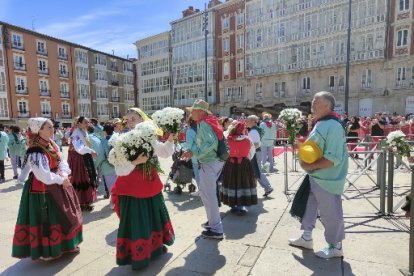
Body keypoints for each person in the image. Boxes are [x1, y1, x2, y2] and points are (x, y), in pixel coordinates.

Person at [111, 107, 175, 270]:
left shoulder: (150, 137)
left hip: (151, 186)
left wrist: (171, 139)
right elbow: (119, 170)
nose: (130, 121)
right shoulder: (122, 139)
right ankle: (138, 256)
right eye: (128, 119)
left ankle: (155, 249)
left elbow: (165, 153)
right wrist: (135, 162)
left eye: (134, 117)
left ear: (142, 119)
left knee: (153, 218)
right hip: (132, 190)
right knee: (137, 222)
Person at [12, 117, 82, 261]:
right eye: (49, 127)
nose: (53, 130)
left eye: (52, 127)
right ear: (39, 130)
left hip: (58, 181)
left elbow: (61, 159)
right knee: (49, 217)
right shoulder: (35, 150)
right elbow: (42, 175)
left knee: (66, 214)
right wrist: (61, 179)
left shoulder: (51, 143)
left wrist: (63, 173)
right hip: (43, 188)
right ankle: (48, 250)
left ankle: (67, 245)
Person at [289, 91, 348, 259]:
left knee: (331, 212)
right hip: (316, 175)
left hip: (328, 178)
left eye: (316, 102)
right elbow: (315, 147)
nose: (312, 104)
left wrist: (309, 165)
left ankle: (336, 246)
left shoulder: (334, 126)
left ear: (327, 106)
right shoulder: (321, 123)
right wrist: (301, 147)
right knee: (309, 207)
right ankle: (306, 237)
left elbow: (333, 158)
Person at [182, 99, 225, 240]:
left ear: (200, 112)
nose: (191, 113)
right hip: (212, 162)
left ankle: (216, 229)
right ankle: (213, 223)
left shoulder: (204, 124)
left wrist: (194, 152)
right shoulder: (207, 122)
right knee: (207, 195)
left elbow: (210, 143)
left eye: (193, 111)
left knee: (209, 196)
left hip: (208, 162)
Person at [221, 121, 256, 215]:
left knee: (232, 183)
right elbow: (251, 152)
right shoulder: (248, 140)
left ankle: (233, 205)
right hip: (244, 164)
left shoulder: (226, 139)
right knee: (243, 183)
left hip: (230, 164)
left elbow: (224, 152)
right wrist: (245, 158)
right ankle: (240, 207)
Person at [68, 116, 98, 211]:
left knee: (88, 178)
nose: (87, 124)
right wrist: (90, 151)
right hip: (79, 160)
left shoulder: (84, 131)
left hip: (84, 156)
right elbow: (79, 148)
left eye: (88, 122)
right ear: (79, 123)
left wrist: (89, 151)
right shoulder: (76, 133)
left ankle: (86, 201)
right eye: (85, 122)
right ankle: (80, 202)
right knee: (80, 179)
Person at [245, 115, 274, 197]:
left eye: (248, 120)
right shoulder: (254, 130)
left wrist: (249, 151)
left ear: (253, 122)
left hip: (254, 153)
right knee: (255, 171)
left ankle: (268, 188)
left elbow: (256, 144)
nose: (246, 122)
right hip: (255, 152)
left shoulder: (253, 131)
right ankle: (256, 189)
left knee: (257, 171)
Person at [182, 116, 200, 193]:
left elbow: (189, 144)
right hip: (205, 154)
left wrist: (182, 145)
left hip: (195, 155)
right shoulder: (202, 129)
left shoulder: (190, 131)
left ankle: (201, 191)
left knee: (197, 174)